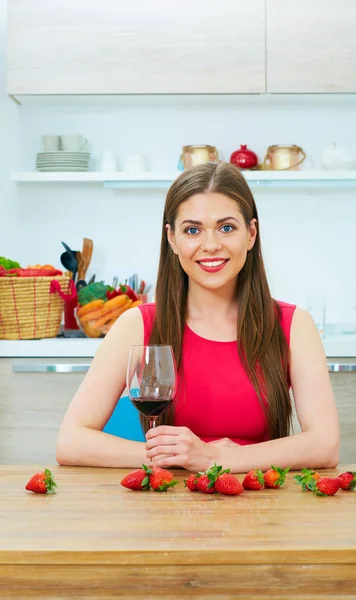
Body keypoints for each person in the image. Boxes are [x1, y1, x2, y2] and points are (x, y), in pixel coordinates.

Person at [57, 162, 339, 473]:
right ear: (172, 239)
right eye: (192, 230)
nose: (210, 245)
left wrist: (222, 459)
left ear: (251, 234)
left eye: (227, 227)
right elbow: (71, 441)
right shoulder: (137, 325)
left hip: (262, 508)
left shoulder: (294, 325)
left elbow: (325, 445)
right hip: (167, 509)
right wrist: (178, 457)